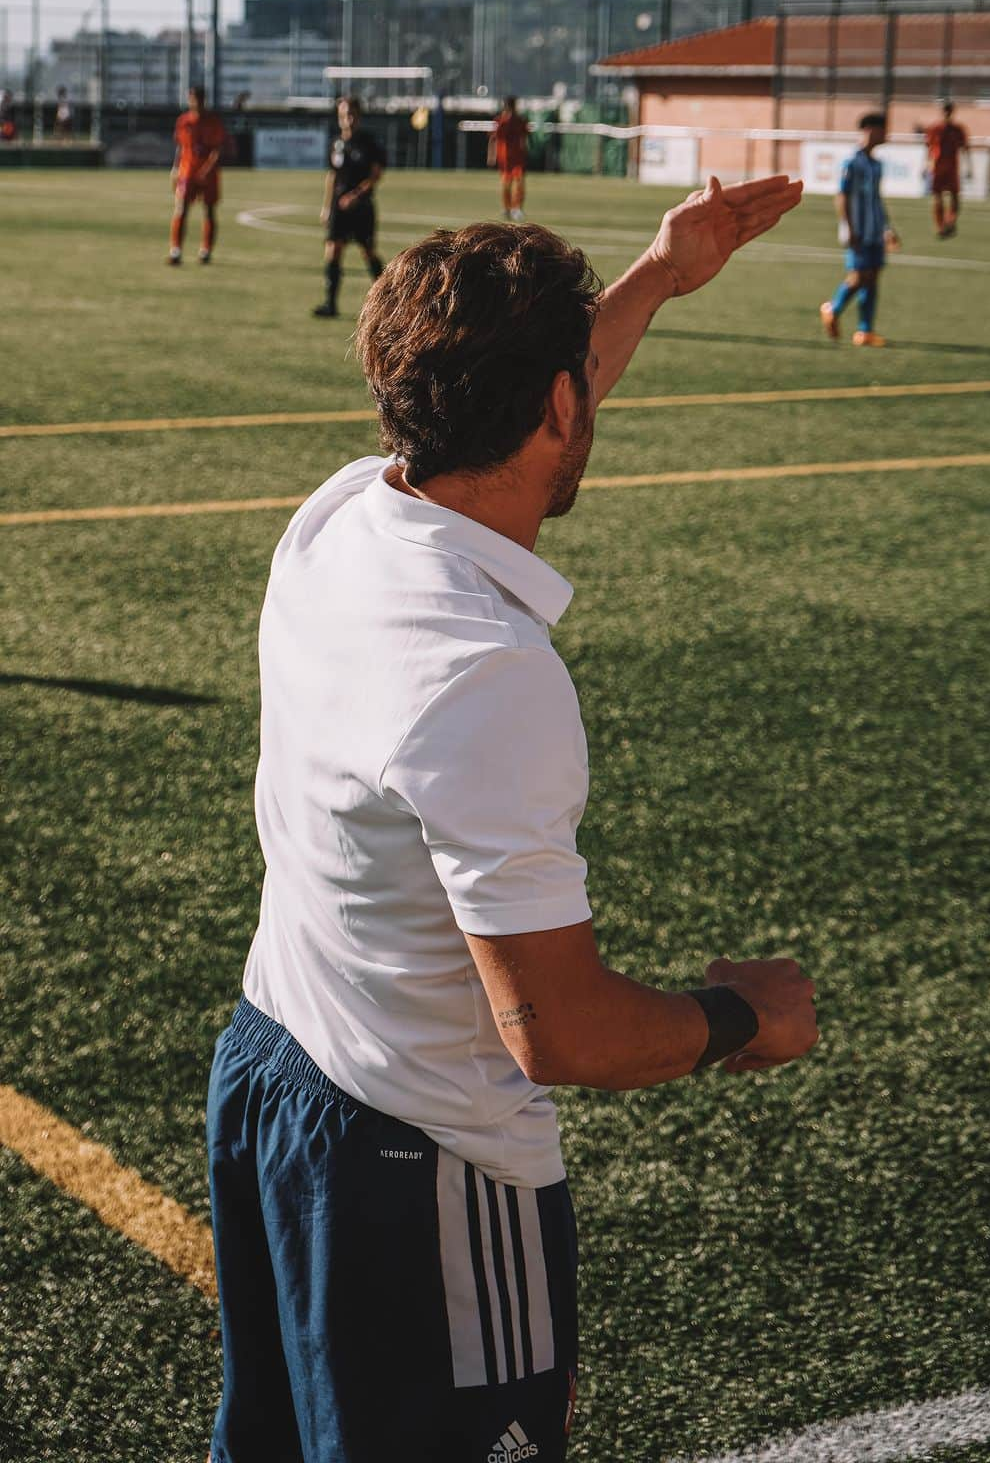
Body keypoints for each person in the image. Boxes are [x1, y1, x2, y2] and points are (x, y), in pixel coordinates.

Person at [205, 173, 817, 1463]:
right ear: (557, 406)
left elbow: (520, 393)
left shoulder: (341, 517)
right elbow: (558, 1030)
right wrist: (742, 1022)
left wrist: (657, 274)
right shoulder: (487, 671)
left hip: (273, 1076)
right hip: (422, 1168)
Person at [819, 113, 899, 347]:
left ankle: (865, 331)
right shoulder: (852, 162)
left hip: (874, 231)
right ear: (869, 130)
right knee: (859, 276)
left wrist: (887, 228)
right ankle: (832, 308)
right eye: (882, 130)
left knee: (872, 277)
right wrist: (849, 227)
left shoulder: (876, 165)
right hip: (859, 232)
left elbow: (876, 199)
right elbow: (842, 196)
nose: (885, 135)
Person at [313, 95, 386, 318]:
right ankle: (330, 304)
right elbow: (332, 176)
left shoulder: (369, 143)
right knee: (333, 251)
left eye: (352, 114)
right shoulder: (336, 143)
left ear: (359, 116)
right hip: (339, 207)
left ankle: (389, 301)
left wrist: (356, 195)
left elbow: (376, 175)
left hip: (362, 207)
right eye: (344, 115)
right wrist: (327, 207)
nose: (348, 119)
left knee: (368, 253)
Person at [169, 85, 227, 266]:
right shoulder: (183, 121)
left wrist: (208, 169)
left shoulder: (213, 121)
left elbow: (217, 149)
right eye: (192, 98)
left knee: (209, 211)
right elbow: (180, 147)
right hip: (187, 171)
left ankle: (206, 251)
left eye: (198, 98)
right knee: (181, 208)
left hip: (208, 174)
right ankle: (176, 251)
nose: (194, 102)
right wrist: (175, 168)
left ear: (203, 100)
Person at [921, 100, 970, 238]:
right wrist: (926, 165)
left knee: (954, 196)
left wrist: (969, 166)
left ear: (952, 112)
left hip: (952, 166)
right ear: (942, 112)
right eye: (945, 110)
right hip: (937, 166)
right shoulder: (934, 129)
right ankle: (941, 226)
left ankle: (950, 221)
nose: (947, 113)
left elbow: (965, 148)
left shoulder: (958, 129)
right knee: (938, 197)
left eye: (948, 110)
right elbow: (929, 148)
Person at [489, 96, 530, 221]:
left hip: (518, 157)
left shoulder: (520, 120)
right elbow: (494, 138)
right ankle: (507, 208)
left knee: (519, 181)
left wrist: (526, 151)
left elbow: (525, 137)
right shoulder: (501, 121)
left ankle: (517, 208)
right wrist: (492, 155)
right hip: (505, 157)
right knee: (506, 183)